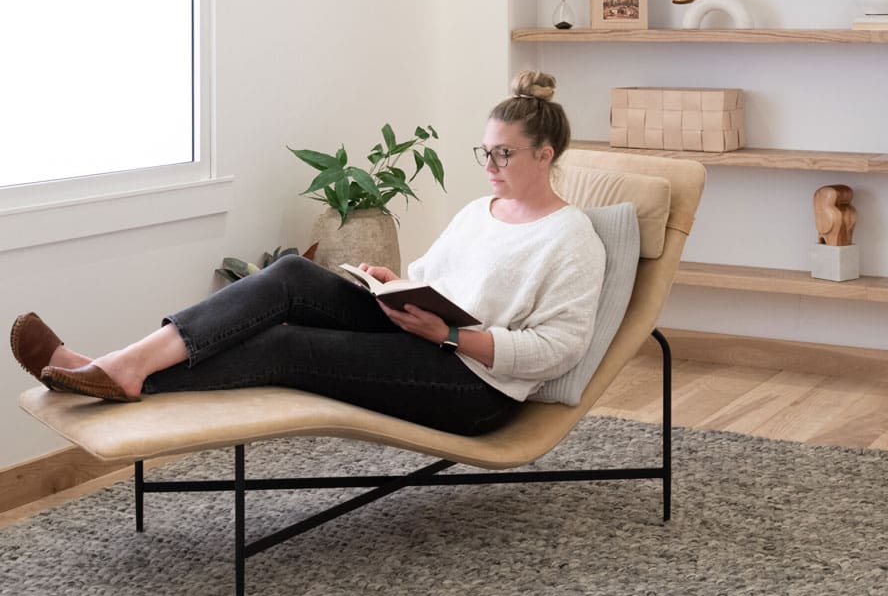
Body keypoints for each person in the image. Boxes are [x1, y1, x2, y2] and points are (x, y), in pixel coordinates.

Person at [9, 72, 605, 437]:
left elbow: (556, 351)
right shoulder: (480, 212)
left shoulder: (570, 238)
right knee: (293, 274)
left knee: (287, 346)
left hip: (475, 387)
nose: (488, 166)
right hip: (424, 334)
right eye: (484, 152)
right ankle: (121, 363)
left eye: (502, 155)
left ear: (545, 155)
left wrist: (447, 336)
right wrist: (393, 283)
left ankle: (119, 376)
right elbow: (432, 278)